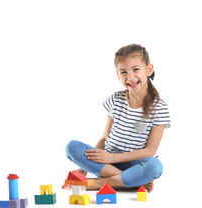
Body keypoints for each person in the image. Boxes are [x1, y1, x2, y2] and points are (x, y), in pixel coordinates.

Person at [65, 44, 170, 193]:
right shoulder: (115, 99)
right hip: (105, 163)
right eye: (123, 72)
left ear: (148, 69)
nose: (130, 77)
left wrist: (112, 159)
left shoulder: (159, 108)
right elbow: (105, 137)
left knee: (155, 166)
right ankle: (129, 181)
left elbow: (149, 151)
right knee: (71, 147)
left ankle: (96, 183)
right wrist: (83, 169)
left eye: (136, 69)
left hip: (134, 165)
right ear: (118, 75)